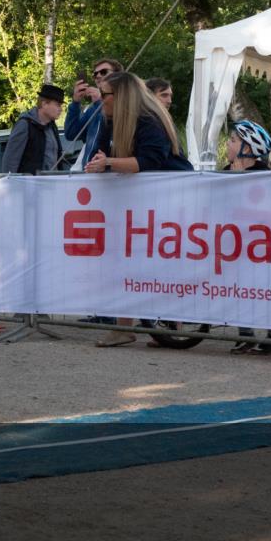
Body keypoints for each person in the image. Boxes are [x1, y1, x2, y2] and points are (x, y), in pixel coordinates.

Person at [84, 71, 193, 347]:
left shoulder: (149, 120)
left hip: (171, 199)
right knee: (127, 259)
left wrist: (108, 162)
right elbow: (102, 152)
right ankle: (126, 327)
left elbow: (149, 161)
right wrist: (100, 161)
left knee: (162, 263)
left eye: (105, 95)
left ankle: (173, 328)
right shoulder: (110, 120)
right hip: (140, 204)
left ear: (120, 96)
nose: (101, 100)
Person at [222, 121, 271, 355]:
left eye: (234, 141)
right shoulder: (225, 170)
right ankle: (244, 334)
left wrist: (239, 184)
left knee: (268, 288)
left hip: (263, 245)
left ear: (249, 148)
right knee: (238, 287)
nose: (228, 144)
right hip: (235, 243)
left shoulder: (266, 175)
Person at [65, 58, 123, 167]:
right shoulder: (92, 109)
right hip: (89, 173)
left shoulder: (125, 104)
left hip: (112, 174)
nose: (98, 76)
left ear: (118, 76)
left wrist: (100, 102)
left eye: (104, 72)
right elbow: (71, 134)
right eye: (95, 74)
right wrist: (75, 102)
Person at [0, 83, 67, 174]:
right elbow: (10, 160)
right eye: (57, 105)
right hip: (28, 185)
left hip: (51, 185)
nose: (60, 109)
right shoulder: (25, 125)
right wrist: (10, 184)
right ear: (44, 104)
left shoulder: (52, 126)